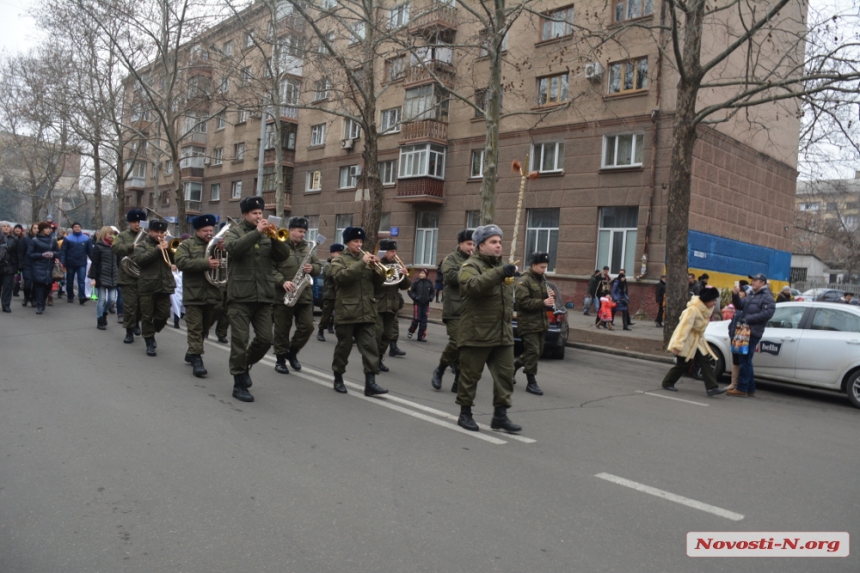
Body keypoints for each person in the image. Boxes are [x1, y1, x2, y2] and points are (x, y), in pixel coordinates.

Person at [222, 196, 291, 402]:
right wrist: (256, 233)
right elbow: (233, 249)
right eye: (255, 214)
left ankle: (244, 366)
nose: (259, 217)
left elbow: (283, 256)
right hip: (240, 297)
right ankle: (238, 383)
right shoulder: (234, 232)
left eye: (261, 213)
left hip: (263, 296)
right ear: (245, 215)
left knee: (264, 339)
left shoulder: (268, 234)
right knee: (240, 341)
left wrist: (274, 238)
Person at [455, 224, 521, 433]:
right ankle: (465, 413)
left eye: (500, 242)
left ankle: (500, 416)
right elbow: (473, 286)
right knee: (470, 376)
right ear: (480, 245)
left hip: (502, 332)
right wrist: (500, 272)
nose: (498, 246)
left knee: (505, 376)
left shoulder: (502, 268)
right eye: (493, 242)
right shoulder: (469, 266)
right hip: (477, 332)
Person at [329, 226, 388, 396]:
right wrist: (362, 264)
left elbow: (378, 284)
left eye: (361, 241)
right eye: (356, 241)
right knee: (344, 348)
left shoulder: (366, 258)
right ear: (347, 242)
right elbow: (341, 278)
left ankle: (371, 383)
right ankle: (338, 377)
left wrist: (379, 268)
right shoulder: (339, 260)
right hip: (347, 311)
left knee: (371, 347)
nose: (359, 244)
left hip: (367, 311)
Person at [174, 214, 222, 378]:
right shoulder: (187, 244)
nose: (209, 233)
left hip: (213, 292)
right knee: (195, 328)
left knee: (204, 328)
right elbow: (181, 262)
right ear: (197, 230)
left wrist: (223, 251)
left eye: (211, 230)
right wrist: (205, 263)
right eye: (205, 230)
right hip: (193, 293)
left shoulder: (217, 245)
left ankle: (192, 352)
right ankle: (197, 359)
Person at [273, 216, 322, 374]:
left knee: (308, 326)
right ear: (291, 230)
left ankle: (292, 352)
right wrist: (282, 281)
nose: (303, 234)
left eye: (304, 232)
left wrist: (312, 268)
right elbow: (269, 268)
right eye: (300, 231)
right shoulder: (279, 246)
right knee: (282, 329)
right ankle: (280, 360)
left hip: (303, 295)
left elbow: (319, 267)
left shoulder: (308, 248)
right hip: (283, 294)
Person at [661, 286, 727, 397]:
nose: (715, 303)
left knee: (705, 361)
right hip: (686, 340)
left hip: (697, 340)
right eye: (713, 300)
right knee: (683, 364)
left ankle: (712, 387)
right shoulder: (692, 310)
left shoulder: (706, 310)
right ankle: (667, 382)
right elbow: (683, 328)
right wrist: (678, 345)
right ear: (706, 300)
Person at [431, 229, 474, 392]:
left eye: (474, 244)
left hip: (471, 310)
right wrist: (471, 269)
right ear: (460, 244)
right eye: (469, 244)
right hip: (454, 309)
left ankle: (458, 380)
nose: (472, 247)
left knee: (466, 347)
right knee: (457, 342)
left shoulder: (476, 259)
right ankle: (440, 369)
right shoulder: (450, 259)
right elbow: (450, 277)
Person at [514, 252, 555, 396]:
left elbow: (543, 296)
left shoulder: (542, 279)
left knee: (538, 352)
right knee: (532, 351)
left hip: (541, 321)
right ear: (533, 265)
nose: (544, 270)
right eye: (542, 267)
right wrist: (543, 302)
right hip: (528, 322)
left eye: (546, 267)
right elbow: (522, 302)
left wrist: (549, 296)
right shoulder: (523, 280)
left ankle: (514, 366)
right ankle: (531, 382)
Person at [728, 273, 775, 398]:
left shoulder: (767, 297)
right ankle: (750, 388)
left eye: (755, 280)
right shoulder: (752, 295)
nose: (753, 282)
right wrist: (735, 295)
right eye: (752, 280)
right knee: (746, 360)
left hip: (752, 331)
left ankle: (742, 389)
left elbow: (767, 314)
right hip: (744, 331)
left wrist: (748, 319)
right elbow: (740, 306)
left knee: (745, 361)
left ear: (762, 283)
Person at [134, 218, 175, 356]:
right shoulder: (142, 245)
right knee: (147, 315)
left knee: (163, 315)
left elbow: (176, 260)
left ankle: (151, 331)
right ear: (150, 231)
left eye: (162, 232)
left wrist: (171, 250)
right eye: (156, 231)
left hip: (164, 285)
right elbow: (139, 260)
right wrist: (157, 250)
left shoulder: (167, 244)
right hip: (147, 286)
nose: (159, 234)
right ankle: (149, 341)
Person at [375, 239, 409, 372]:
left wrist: (405, 275)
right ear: (384, 252)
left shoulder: (396, 265)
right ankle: (373, 360)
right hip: (378, 304)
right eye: (391, 251)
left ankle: (380, 359)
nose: (394, 254)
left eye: (395, 251)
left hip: (392, 305)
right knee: (377, 334)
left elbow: (405, 286)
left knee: (387, 335)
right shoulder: (377, 264)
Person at [113, 209, 147, 344]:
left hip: (144, 275)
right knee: (130, 306)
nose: (137, 224)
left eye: (139, 222)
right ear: (129, 223)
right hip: (128, 276)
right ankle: (129, 332)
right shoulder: (122, 235)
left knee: (141, 306)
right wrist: (132, 246)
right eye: (134, 222)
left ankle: (135, 323)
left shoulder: (148, 236)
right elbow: (115, 248)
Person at [89, 226, 119, 330]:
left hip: (113, 276)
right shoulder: (98, 246)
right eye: (109, 233)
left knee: (111, 299)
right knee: (102, 299)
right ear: (104, 234)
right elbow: (95, 263)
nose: (111, 236)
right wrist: (93, 278)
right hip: (101, 276)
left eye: (113, 233)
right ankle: (99, 319)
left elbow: (118, 262)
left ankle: (104, 312)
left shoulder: (116, 246)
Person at [26, 222, 60, 315]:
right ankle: (40, 305)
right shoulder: (34, 240)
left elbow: (58, 252)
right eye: (46, 228)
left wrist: (53, 254)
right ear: (41, 229)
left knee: (48, 286)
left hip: (50, 266)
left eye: (49, 228)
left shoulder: (53, 240)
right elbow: (30, 254)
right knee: (39, 285)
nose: (49, 230)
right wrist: (41, 255)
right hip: (38, 266)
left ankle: (43, 301)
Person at [59, 222, 93, 304]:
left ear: (81, 228)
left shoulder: (86, 239)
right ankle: (70, 295)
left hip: (81, 263)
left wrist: (94, 261)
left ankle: (82, 296)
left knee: (81, 280)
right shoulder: (68, 239)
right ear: (73, 228)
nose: (77, 228)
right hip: (70, 262)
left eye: (78, 227)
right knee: (70, 280)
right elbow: (64, 251)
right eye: (75, 227)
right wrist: (62, 262)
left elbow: (90, 252)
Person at [317, 243, 343, 342]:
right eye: (338, 252)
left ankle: (334, 328)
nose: (340, 254)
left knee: (340, 315)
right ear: (332, 253)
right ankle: (320, 331)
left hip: (340, 294)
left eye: (341, 252)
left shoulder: (342, 263)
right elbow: (331, 274)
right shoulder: (328, 265)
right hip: (330, 293)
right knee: (326, 314)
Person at [407, 269, 434, 341]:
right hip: (417, 304)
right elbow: (410, 291)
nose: (421, 274)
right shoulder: (416, 282)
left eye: (423, 273)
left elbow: (432, 292)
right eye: (421, 273)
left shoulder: (429, 283)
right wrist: (415, 297)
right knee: (416, 319)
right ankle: (411, 331)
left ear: (426, 275)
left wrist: (430, 298)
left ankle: (421, 336)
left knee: (423, 321)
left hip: (425, 304)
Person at [0, 221, 18, 313]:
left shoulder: (14, 239)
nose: (6, 228)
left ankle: (6, 305)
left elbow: (18, 254)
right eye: (4, 226)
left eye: (8, 226)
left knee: (7, 287)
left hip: (10, 266)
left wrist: (18, 266)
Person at [19, 223, 38, 307]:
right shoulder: (26, 239)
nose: (36, 230)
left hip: (38, 264)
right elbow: (21, 252)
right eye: (34, 228)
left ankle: (33, 298)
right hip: (27, 264)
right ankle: (26, 297)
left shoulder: (41, 239)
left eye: (38, 228)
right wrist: (21, 264)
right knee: (28, 282)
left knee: (36, 283)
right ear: (31, 229)